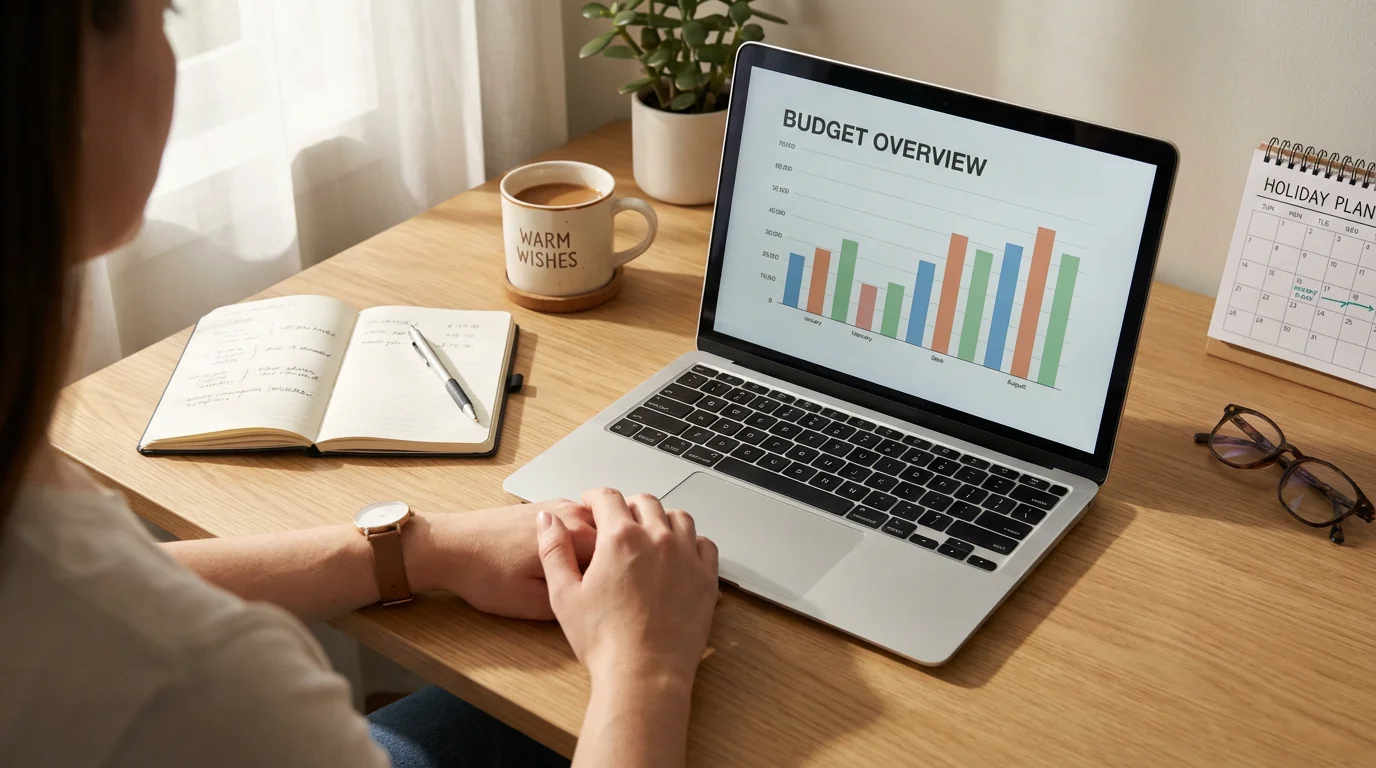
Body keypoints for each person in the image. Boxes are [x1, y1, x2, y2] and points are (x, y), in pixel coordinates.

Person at [0, 2, 721, 766]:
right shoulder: (200, 684)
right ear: (65, 87)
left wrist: (421, 549)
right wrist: (645, 664)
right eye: (166, 15)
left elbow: (121, 586)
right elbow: (133, 617)